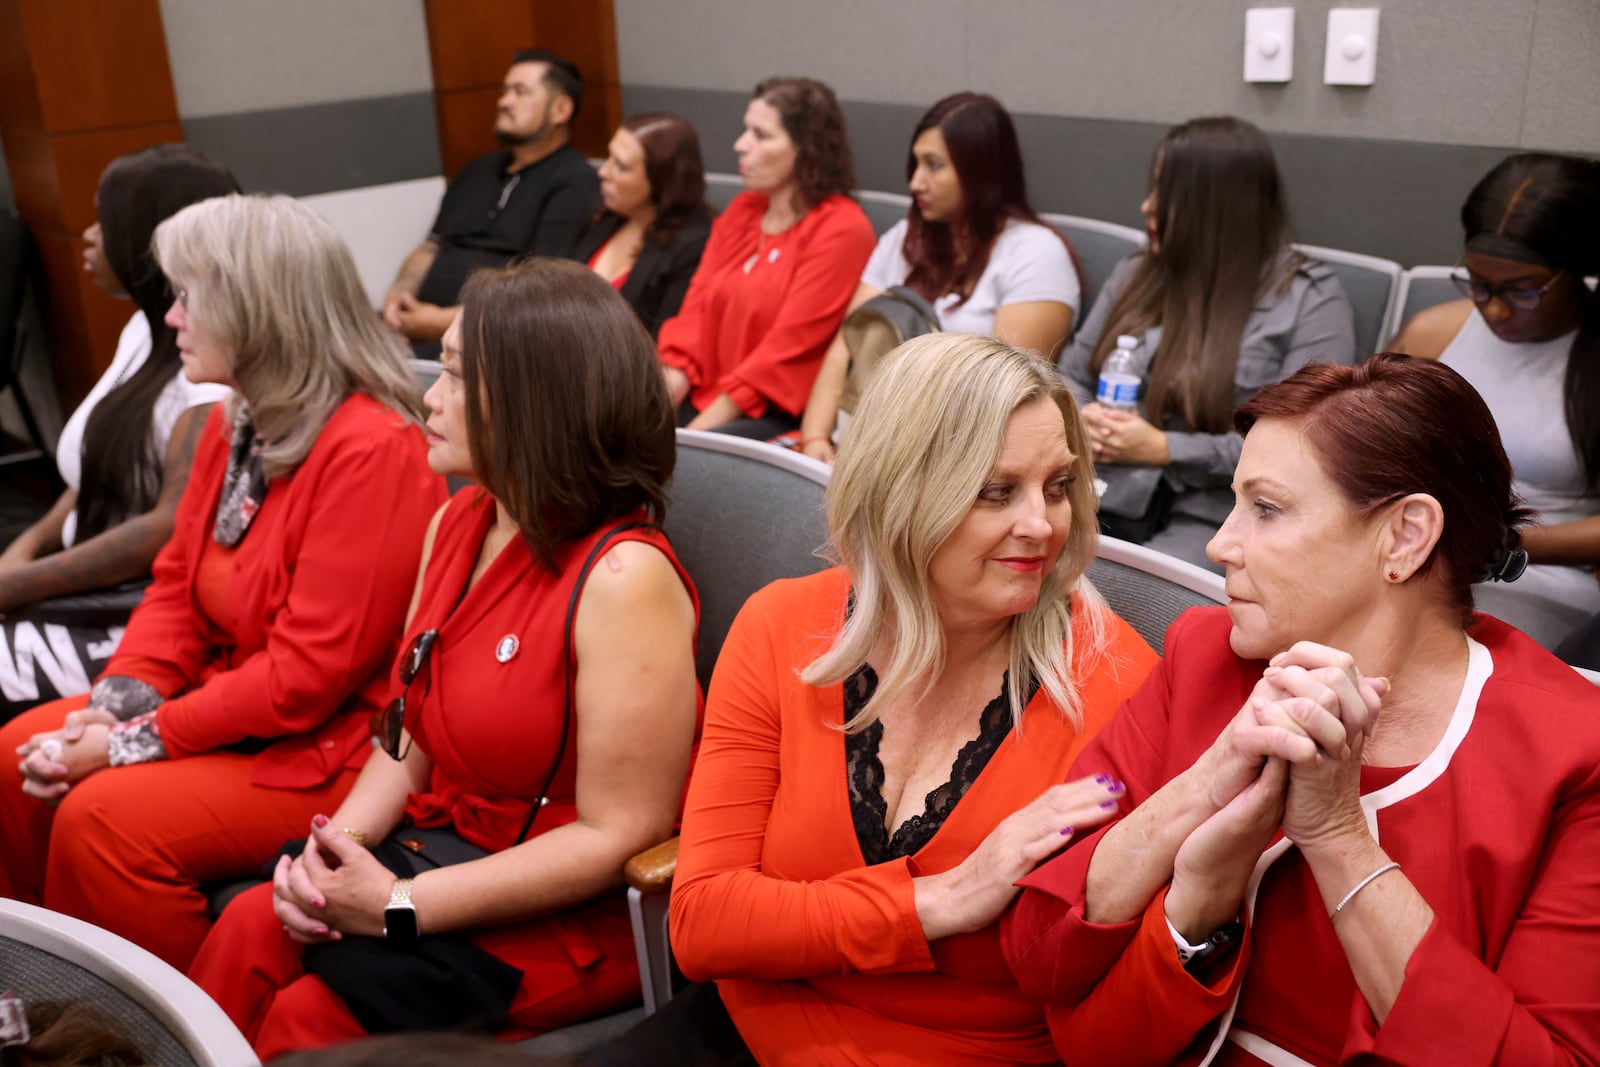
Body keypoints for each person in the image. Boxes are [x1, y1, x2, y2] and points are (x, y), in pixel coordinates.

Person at [1003, 355, 1600, 1066]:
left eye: (1265, 508)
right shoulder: (1206, 656)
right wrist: (1206, 790)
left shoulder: (1572, 753)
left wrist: (1339, 837)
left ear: (1406, 536)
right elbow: (1037, 950)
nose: (1220, 544)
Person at [594, 334, 1158, 1065]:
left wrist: (807, 923)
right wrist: (940, 902)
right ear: (900, 489)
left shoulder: (1118, 686)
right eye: (997, 490)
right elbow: (703, 922)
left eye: (1058, 486)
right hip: (752, 1022)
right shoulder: (782, 626)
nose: (1043, 525)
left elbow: (1104, 994)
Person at [189, 260, 702, 1059]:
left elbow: (617, 835)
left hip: (561, 915)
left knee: (306, 1022)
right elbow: (409, 737)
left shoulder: (624, 579)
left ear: (538, 403)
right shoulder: (461, 520)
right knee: (249, 924)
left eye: (458, 377)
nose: (428, 397)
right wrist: (340, 850)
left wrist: (397, 901)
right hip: (445, 852)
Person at [0, 195, 446, 972]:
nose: (170, 317)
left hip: (333, 745)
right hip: (235, 705)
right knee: (15, 752)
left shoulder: (373, 448)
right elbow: (174, 588)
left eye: (186, 297)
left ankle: (167, 1035)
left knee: (102, 820)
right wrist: (110, 707)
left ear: (257, 311)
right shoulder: (238, 418)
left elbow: (304, 682)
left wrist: (128, 744)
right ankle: (49, 1001)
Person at [0, 146, 238, 719]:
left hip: (139, 610)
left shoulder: (210, 363)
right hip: (76, 585)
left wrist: (20, 585)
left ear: (150, 237)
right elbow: (94, 470)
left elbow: (167, 526)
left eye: (104, 221)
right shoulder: (144, 326)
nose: (87, 235)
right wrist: (24, 548)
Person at [1060, 116, 1356, 571]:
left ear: (1211, 206)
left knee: (1122, 598)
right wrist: (1083, 416)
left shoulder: (1308, 296)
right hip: (1103, 488)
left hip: (1216, 511)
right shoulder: (1138, 272)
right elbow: (1071, 375)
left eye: (1163, 193)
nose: (1146, 206)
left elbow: (1307, 442)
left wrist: (1165, 449)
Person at [798, 92, 1082, 463]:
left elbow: (1000, 398)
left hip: (957, 462)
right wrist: (815, 439)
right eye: (915, 164)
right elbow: (846, 347)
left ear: (981, 171)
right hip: (859, 442)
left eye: (934, 165)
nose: (915, 182)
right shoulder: (904, 238)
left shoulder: (1035, 254)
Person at [1391, 153, 1600, 649]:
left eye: (1522, 291)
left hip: (1540, 572)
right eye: (1479, 285)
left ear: (1577, 273)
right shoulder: (1433, 335)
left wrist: (1505, 542)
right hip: (1420, 552)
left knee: (1423, 643)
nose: (1496, 309)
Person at [656, 77, 876, 438]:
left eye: (761, 136)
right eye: (746, 131)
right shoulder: (744, 210)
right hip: (703, 395)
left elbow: (782, 356)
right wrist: (662, 398)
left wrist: (691, 441)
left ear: (806, 149)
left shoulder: (842, 229)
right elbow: (694, 313)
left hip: (769, 413)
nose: (740, 145)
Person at [382, 49, 599, 354]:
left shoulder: (575, 183)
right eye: (505, 91)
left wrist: (443, 322)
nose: (504, 102)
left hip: (496, 342)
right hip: (418, 329)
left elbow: (542, 289)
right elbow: (433, 245)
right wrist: (399, 296)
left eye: (520, 92)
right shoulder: (477, 170)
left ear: (560, 110)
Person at [574, 112, 713, 338]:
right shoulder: (606, 216)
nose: (603, 171)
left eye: (621, 166)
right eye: (608, 158)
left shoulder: (694, 245)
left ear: (663, 179)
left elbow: (661, 340)